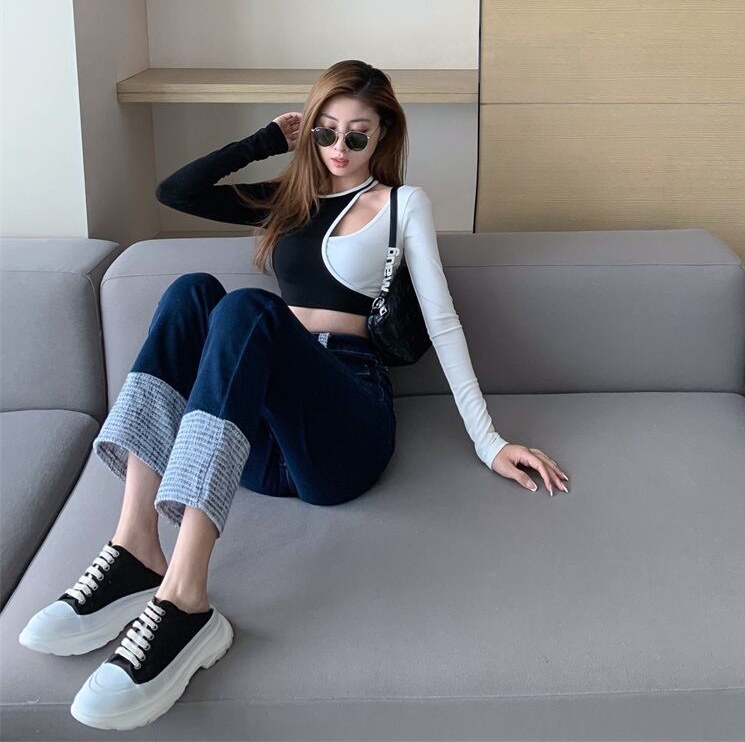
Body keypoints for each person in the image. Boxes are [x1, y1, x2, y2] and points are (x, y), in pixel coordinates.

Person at [18, 60, 569, 731]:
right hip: (260, 441)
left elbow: (443, 320)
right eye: (324, 131)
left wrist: (489, 441)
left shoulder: (403, 204)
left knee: (247, 309)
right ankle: (137, 547)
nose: (339, 147)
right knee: (191, 292)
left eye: (357, 134)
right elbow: (176, 190)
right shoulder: (291, 197)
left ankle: (186, 601)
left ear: (383, 133)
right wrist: (265, 141)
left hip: (344, 427)